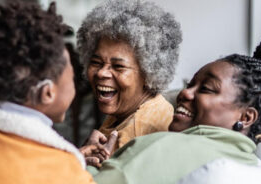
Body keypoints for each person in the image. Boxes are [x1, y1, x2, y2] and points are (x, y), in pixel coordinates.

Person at [0, 2, 118, 184]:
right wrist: (78, 167)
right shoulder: (64, 176)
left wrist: (71, 158)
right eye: (72, 76)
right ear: (48, 93)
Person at [85, 36, 261, 184]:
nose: (185, 93)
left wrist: (86, 163)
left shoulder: (168, 148)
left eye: (206, 89)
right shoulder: (257, 172)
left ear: (246, 117)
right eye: (189, 85)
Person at [77, 0, 182, 162]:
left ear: (149, 73)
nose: (101, 73)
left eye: (118, 66)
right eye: (96, 62)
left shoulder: (135, 130)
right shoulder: (133, 108)